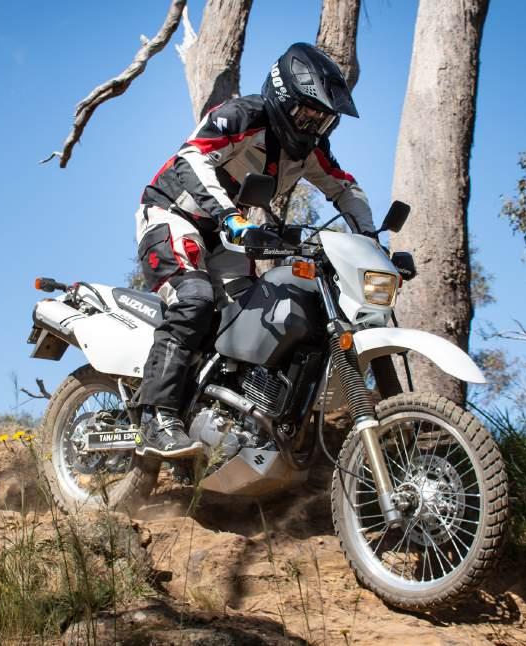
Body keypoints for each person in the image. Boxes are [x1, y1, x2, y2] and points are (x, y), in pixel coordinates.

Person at [132, 42, 375, 458]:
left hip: (228, 234)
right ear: (283, 98)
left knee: (247, 318)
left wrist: (370, 240)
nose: (313, 125)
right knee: (194, 298)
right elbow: (191, 160)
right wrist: (229, 216)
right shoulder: (242, 116)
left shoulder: (312, 149)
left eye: (323, 119)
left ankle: (224, 414)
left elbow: (345, 188)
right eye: (307, 114)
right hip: (173, 214)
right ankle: (155, 416)